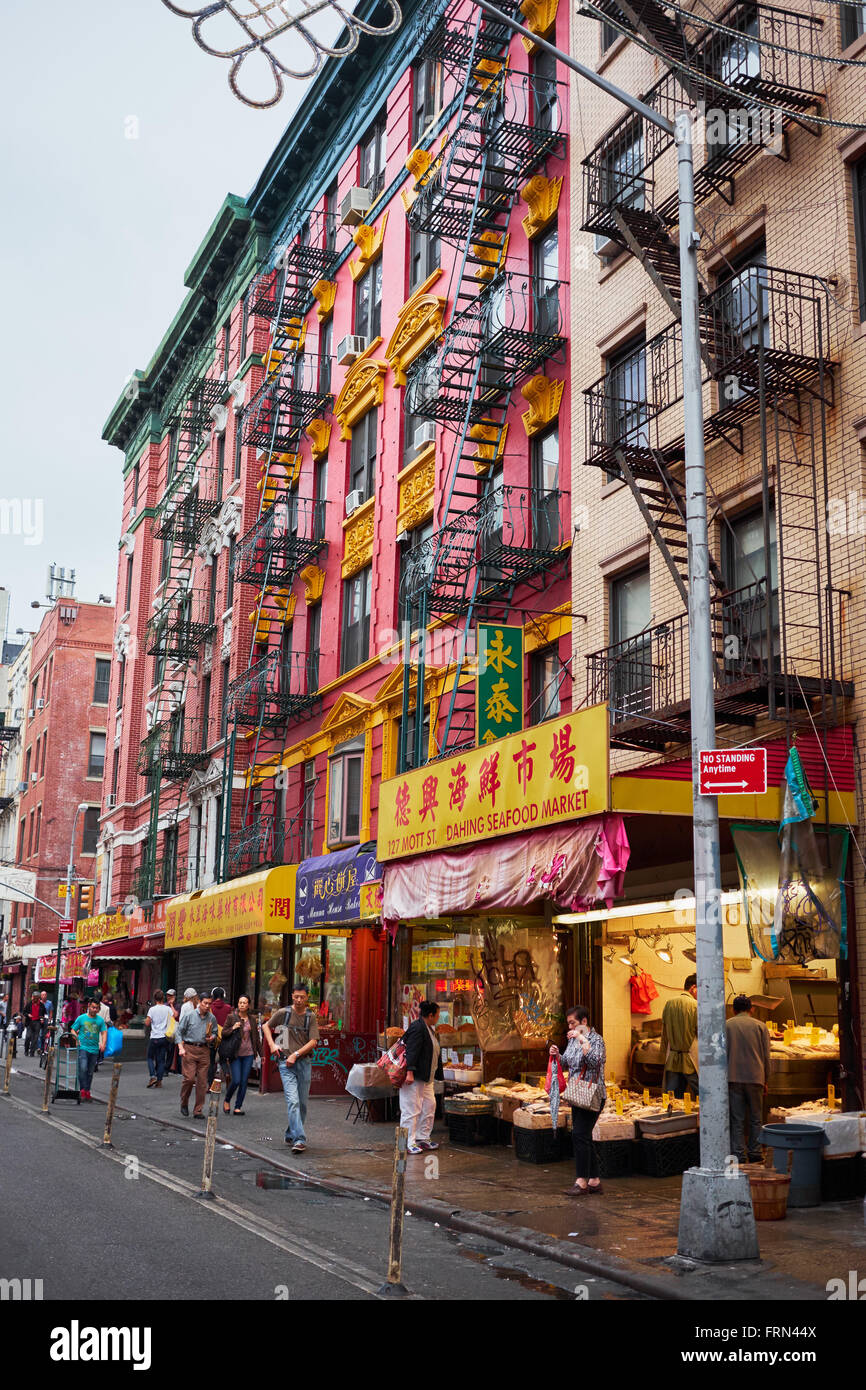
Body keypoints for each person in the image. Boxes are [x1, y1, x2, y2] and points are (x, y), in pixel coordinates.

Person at [552, 1004, 607, 1195]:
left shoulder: (596, 1039)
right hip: (577, 1093)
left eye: (573, 1023)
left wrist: (582, 1038)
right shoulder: (573, 1039)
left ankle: (582, 1181)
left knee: (580, 1135)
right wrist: (556, 1054)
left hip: (593, 1094)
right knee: (583, 1135)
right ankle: (594, 1180)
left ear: (584, 1022)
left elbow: (595, 1061)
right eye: (569, 1024)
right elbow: (567, 1061)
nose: (570, 1028)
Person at [263, 984, 319, 1153]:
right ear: (292, 996)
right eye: (296, 997)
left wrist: (296, 1053)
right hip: (285, 1063)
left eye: (302, 997)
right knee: (293, 1101)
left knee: (301, 1104)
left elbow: (313, 1042)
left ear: (307, 997)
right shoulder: (284, 1013)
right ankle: (300, 1139)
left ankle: (290, 1132)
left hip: (304, 1063)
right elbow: (265, 1026)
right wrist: (272, 1045)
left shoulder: (311, 1017)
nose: (299, 1000)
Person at [726, 995, 771, 1164]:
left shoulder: (727, 1025)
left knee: (737, 1119)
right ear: (751, 1009)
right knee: (755, 1117)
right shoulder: (761, 1026)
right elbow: (767, 1056)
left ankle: (738, 1154)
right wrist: (766, 1079)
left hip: (733, 1078)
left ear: (733, 1009)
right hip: (756, 1078)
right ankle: (755, 1152)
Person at [400, 1000, 444, 1155]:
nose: (439, 1017)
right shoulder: (418, 1028)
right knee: (411, 1109)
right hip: (414, 1077)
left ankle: (422, 1137)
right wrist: (410, 1072)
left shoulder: (428, 1028)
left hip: (426, 1077)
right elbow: (411, 1051)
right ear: (430, 1015)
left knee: (429, 1106)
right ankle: (405, 1143)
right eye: (437, 1015)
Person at [176, 993, 218, 1118]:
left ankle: (198, 1110)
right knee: (189, 1079)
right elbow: (178, 1032)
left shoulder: (212, 1018)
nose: (207, 1006)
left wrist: (212, 1037)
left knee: (202, 1082)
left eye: (209, 1004)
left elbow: (215, 1031)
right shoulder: (189, 1016)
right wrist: (180, 1047)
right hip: (189, 1048)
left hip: (204, 1050)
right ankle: (184, 1102)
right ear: (199, 1002)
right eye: (205, 1003)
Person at [661, 974, 699, 1099]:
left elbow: (664, 1034)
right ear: (693, 987)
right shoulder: (696, 1005)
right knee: (704, 1097)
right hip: (691, 1061)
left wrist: (662, 1056)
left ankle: (669, 1119)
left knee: (671, 1100)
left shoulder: (669, 1004)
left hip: (672, 1060)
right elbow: (701, 1034)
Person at [221, 996, 261, 1116]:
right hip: (236, 1054)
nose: (242, 1005)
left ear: (248, 1005)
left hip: (248, 1054)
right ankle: (227, 1099)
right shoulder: (231, 1017)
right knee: (236, 1080)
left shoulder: (252, 1020)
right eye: (240, 1002)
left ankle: (238, 1107)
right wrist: (233, 1027)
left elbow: (256, 1039)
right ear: (238, 1004)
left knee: (244, 1081)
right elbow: (223, 1033)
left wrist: (261, 1054)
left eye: (245, 1003)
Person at [71, 998, 107, 1099]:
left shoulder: (100, 1020)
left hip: (94, 1049)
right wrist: (76, 1038)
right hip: (83, 1047)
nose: (95, 1010)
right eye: (93, 1007)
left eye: (97, 1008)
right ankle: (82, 1089)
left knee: (90, 1071)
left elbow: (104, 1032)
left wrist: (103, 1044)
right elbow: (73, 1029)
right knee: (83, 1068)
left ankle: (87, 1090)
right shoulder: (81, 1018)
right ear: (89, 1007)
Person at [144, 989, 172, 1088]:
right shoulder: (168, 1009)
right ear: (163, 998)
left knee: (150, 1057)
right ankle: (159, 1081)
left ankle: (152, 1076)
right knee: (161, 1060)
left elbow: (147, 1023)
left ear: (154, 998)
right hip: (164, 1037)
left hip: (154, 1036)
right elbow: (174, 1017)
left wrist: (146, 1020)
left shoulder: (152, 1009)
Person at [208, 986, 232, 1088]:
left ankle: (210, 1086)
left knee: (211, 1061)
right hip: (224, 1037)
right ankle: (226, 1073)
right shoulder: (228, 1008)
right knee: (223, 1060)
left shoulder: (210, 1008)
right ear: (223, 996)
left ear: (213, 996)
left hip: (212, 1038)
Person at [23, 992, 45, 1057]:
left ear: (38, 998)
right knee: (28, 1037)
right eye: (34, 997)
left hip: (37, 1022)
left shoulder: (41, 1005)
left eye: (36, 998)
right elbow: (24, 1012)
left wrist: (42, 1019)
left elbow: (44, 1013)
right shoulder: (29, 1004)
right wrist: (28, 1015)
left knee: (35, 1038)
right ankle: (26, 1050)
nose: (34, 999)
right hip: (30, 1022)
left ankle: (32, 1052)